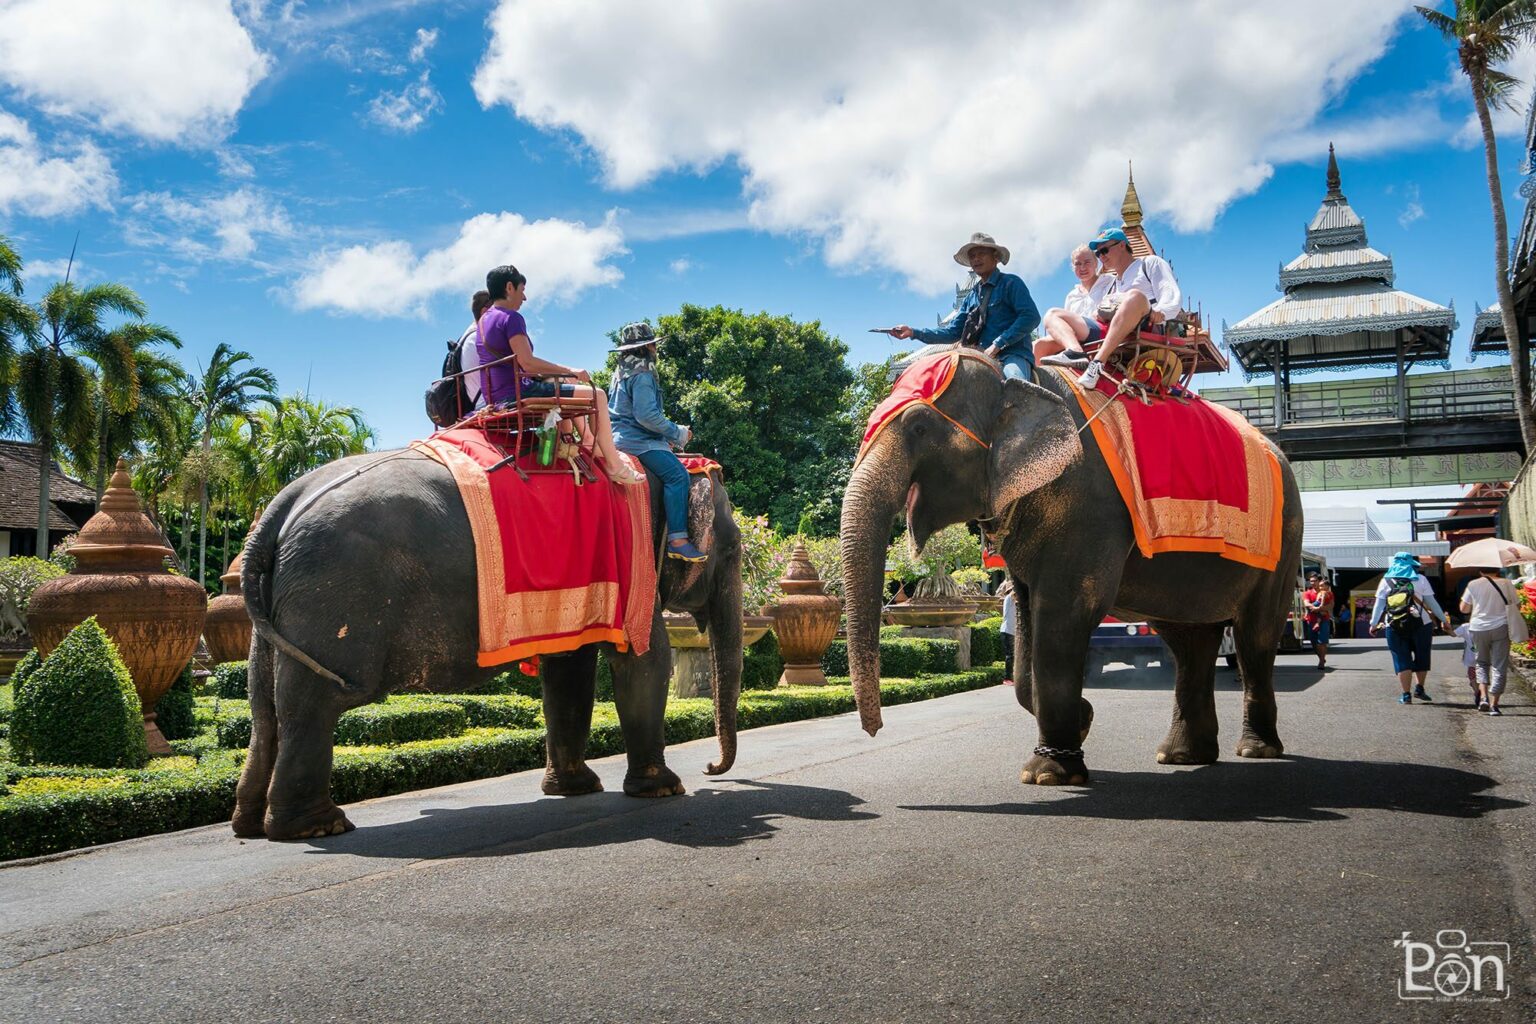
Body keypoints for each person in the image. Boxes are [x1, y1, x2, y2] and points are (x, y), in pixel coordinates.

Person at [476, 264, 644, 484]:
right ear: (509, 287)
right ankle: (613, 464)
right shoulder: (511, 318)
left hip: (495, 397)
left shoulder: (483, 320)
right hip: (519, 392)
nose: (524, 297)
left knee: (561, 382)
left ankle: (590, 442)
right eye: (521, 289)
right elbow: (527, 363)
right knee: (599, 395)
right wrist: (570, 371)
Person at [607, 322, 708, 563]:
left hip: (617, 439)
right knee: (677, 476)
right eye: (652, 344)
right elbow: (646, 416)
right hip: (638, 442)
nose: (655, 348)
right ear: (647, 347)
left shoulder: (620, 373)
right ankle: (678, 540)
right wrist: (679, 433)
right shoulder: (643, 375)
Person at [1039, 226, 1182, 389]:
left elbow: (1170, 293)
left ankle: (1097, 364)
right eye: (1099, 253)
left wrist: (1161, 312)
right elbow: (1097, 313)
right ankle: (1072, 355)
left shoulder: (1149, 263)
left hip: (1144, 325)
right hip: (1111, 328)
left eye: (1105, 250)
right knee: (1052, 315)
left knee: (1134, 296)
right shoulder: (1112, 284)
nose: (1102, 257)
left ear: (1122, 245)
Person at [890, 232, 1041, 381]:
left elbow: (1031, 317)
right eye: (972, 256)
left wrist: (998, 344)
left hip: (1012, 355)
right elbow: (953, 332)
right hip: (980, 358)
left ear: (995, 257)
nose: (976, 259)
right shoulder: (971, 296)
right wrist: (913, 332)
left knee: (1016, 383)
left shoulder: (1011, 283)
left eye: (981, 253)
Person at [1368, 551, 1451, 704]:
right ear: (1412, 565)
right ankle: (1419, 688)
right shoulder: (1421, 579)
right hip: (1422, 623)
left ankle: (1406, 695)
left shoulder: (1386, 580)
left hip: (1394, 624)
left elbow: (1379, 605)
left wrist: (1373, 624)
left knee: (1401, 659)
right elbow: (1432, 603)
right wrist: (1443, 620)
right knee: (1422, 655)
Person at [1034, 244, 1112, 363]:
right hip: (1077, 336)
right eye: (1078, 264)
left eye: (1087, 262)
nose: (1082, 268)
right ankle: (1037, 379)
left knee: (1052, 314)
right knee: (1038, 344)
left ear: (1096, 263)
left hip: (1100, 331)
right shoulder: (1072, 296)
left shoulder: (1108, 282)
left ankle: (1076, 352)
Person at [1459, 566, 1519, 716]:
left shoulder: (1473, 584)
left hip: (1478, 627)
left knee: (1482, 663)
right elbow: (1517, 605)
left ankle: (1483, 697)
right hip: (1501, 626)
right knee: (1499, 665)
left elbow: (1464, 609)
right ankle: (1494, 704)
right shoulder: (1506, 583)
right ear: (1498, 569)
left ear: (1480, 571)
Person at [458, 289, 493, 409]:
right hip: (487, 402)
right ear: (485, 312)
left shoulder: (467, 336)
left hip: (476, 402)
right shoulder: (481, 337)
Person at [1305, 578, 1335, 670]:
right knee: (1314, 642)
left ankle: (1321, 662)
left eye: (1315, 581)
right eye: (1311, 581)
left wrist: (1318, 609)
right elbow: (1306, 603)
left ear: (1319, 582)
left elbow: (1331, 605)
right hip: (1311, 620)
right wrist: (1314, 607)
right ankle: (1321, 658)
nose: (1313, 583)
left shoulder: (1327, 592)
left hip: (1324, 619)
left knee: (1322, 642)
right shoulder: (1308, 593)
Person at [999, 579, 1017, 684]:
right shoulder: (1009, 598)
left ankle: (1012, 677)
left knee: (1012, 655)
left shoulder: (1012, 599)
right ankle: (1007, 678)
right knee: (1010, 655)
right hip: (1007, 630)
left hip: (1010, 630)